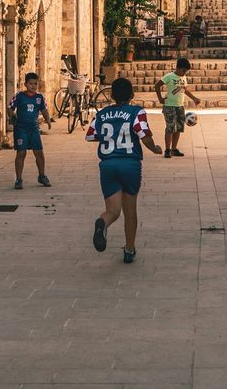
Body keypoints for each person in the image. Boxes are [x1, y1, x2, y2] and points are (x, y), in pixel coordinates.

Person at [86, 77, 163, 263]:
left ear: (112, 96)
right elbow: (144, 135)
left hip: (108, 165)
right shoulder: (136, 113)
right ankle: (129, 249)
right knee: (130, 210)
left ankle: (102, 223)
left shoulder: (101, 114)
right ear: (132, 95)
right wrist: (155, 149)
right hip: (130, 164)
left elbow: (90, 136)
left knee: (112, 210)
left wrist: (110, 138)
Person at [8, 72, 52, 190]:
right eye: (31, 83)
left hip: (34, 129)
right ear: (25, 84)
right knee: (21, 153)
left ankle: (42, 175)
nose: (33, 86)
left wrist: (48, 120)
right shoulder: (19, 96)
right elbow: (10, 107)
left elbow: (44, 109)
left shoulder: (39, 98)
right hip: (21, 129)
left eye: (35, 84)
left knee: (39, 153)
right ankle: (18, 179)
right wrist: (12, 117)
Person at [154, 57, 201, 158]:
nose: (184, 73)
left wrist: (194, 98)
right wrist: (160, 98)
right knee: (170, 128)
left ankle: (174, 149)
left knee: (178, 129)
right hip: (169, 106)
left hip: (180, 106)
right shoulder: (169, 76)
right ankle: (167, 150)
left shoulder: (183, 78)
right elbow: (157, 85)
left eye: (186, 71)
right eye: (183, 70)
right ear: (178, 68)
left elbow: (185, 90)